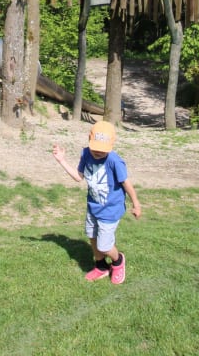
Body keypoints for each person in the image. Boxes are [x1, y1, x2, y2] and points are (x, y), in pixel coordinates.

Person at [52, 121, 142, 284]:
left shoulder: (115, 161)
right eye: (96, 147)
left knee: (105, 246)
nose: (99, 152)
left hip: (110, 210)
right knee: (92, 237)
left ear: (111, 145)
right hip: (93, 207)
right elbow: (79, 177)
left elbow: (126, 183)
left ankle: (118, 261)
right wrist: (61, 161)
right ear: (89, 139)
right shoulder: (86, 154)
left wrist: (136, 203)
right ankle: (101, 266)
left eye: (103, 149)